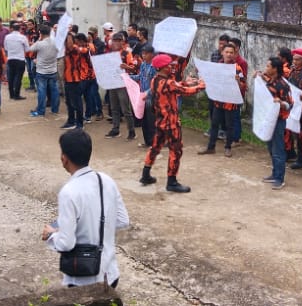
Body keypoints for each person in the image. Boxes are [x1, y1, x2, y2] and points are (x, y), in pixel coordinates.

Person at [43, 129, 129, 288]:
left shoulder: (68, 192)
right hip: (110, 275)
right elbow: (123, 220)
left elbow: (65, 244)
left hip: (83, 280)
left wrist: (51, 236)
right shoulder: (106, 180)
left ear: (64, 158)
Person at [139, 54, 206, 193]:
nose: (172, 66)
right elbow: (184, 91)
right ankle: (172, 181)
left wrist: (188, 81)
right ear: (163, 67)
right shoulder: (168, 82)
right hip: (171, 122)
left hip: (160, 121)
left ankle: (145, 174)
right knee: (176, 150)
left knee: (155, 147)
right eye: (169, 65)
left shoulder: (155, 80)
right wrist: (200, 86)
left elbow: (176, 86)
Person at [198, 43, 246, 158]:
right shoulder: (216, 66)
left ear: (235, 54)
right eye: (227, 52)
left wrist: (238, 81)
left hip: (230, 102)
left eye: (231, 52)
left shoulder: (237, 68)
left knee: (229, 125)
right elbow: (210, 79)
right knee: (214, 124)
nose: (229, 54)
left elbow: (244, 86)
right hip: (218, 100)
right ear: (222, 53)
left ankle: (228, 147)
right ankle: (211, 147)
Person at [260, 57, 294, 190]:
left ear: (275, 69)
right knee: (270, 147)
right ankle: (274, 174)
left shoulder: (282, 85)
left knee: (278, 149)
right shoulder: (270, 81)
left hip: (278, 120)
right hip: (268, 119)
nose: (266, 68)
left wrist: (281, 103)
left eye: (268, 66)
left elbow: (290, 104)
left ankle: (280, 178)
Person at [105, 33, 138, 140]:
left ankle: (131, 131)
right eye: (114, 41)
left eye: (118, 41)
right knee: (114, 107)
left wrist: (126, 67)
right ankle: (115, 129)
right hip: (112, 82)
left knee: (125, 109)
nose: (116, 43)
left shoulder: (126, 53)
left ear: (122, 42)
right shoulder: (110, 53)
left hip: (123, 83)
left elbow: (133, 68)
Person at [28, 25, 60, 119]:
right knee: (54, 90)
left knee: (42, 92)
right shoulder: (55, 42)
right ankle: (55, 109)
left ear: (40, 33)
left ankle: (41, 111)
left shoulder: (40, 43)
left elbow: (31, 49)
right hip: (53, 70)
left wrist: (39, 39)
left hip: (41, 71)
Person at [287, 48, 302, 168]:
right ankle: (291, 153)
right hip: (293, 106)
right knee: (292, 130)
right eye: (294, 59)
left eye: (297, 59)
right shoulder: (292, 71)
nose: (295, 61)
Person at [61, 33, 92, 130]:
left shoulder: (75, 49)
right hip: (68, 78)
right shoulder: (66, 49)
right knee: (69, 102)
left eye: (70, 39)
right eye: (67, 39)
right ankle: (71, 121)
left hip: (75, 79)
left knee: (77, 102)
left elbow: (85, 50)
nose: (68, 41)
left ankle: (79, 123)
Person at [130, 44, 157, 148]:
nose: (143, 56)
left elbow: (156, 83)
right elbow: (140, 77)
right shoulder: (143, 65)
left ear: (151, 54)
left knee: (151, 121)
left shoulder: (155, 66)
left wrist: (148, 93)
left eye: (145, 54)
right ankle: (147, 141)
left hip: (151, 97)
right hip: (142, 97)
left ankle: (154, 143)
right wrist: (128, 77)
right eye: (142, 53)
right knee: (144, 121)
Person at [4, 22, 29, 101]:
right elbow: (27, 49)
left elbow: (6, 48)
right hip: (20, 59)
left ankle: (11, 95)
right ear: (20, 29)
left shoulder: (7, 37)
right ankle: (16, 95)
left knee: (10, 77)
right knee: (18, 77)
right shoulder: (23, 37)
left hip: (11, 59)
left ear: (12, 28)